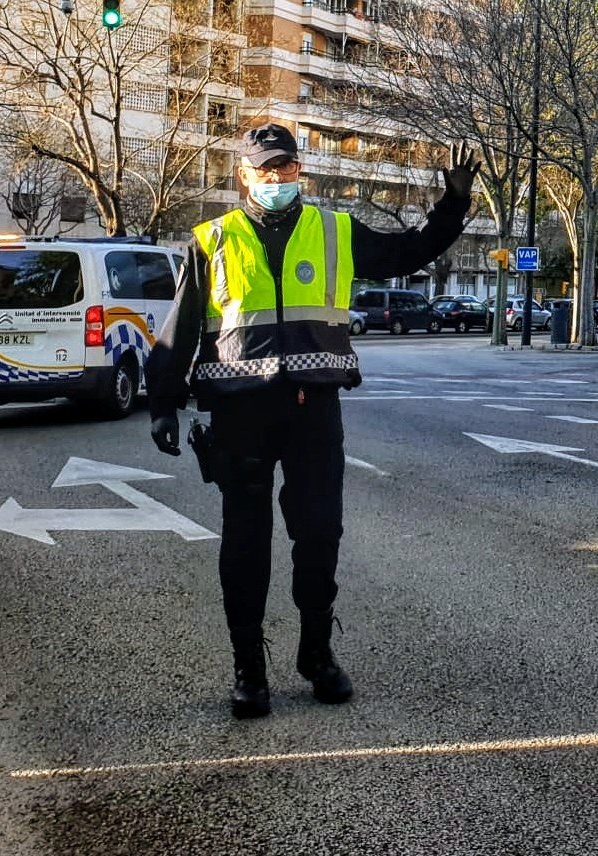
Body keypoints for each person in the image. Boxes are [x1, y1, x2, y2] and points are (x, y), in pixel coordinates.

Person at [146, 123, 479, 718]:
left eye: (287, 167)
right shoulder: (212, 240)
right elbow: (182, 324)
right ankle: (249, 669)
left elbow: (406, 252)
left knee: (320, 534)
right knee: (246, 545)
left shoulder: (334, 230)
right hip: (240, 411)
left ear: (301, 171)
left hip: (313, 410)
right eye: (265, 169)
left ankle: (316, 653)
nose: (277, 178)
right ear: (243, 175)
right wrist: (163, 402)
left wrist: (453, 207)